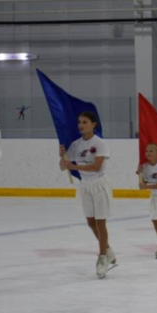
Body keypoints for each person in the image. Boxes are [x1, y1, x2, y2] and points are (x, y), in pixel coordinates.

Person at [58, 111, 117, 278]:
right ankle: (107, 249)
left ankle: (102, 257)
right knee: (90, 222)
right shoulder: (75, 145)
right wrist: (62, 156)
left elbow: (96, 167)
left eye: (85, 122)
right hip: (85, 185)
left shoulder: (100, 143)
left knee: (100, 222)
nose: (81, 125)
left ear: (93, 124)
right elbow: (63, 167)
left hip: (99, 184)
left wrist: (73, 166)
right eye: (79, 122)